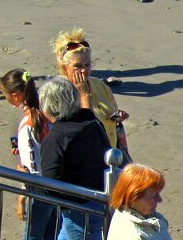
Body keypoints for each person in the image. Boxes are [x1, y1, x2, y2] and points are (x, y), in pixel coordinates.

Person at [37, 75, 111, 240]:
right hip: (98, 201)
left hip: (76, 210)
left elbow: (51, 182)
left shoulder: (56, 138)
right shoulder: (90, 121)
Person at [0, 68, 58, 240]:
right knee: (52, 237)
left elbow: (32, 169)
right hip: (53, 186)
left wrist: (22, 196)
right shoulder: (44, 117)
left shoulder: (27, 125)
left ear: (14, 96)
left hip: (39, 190)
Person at [50, 28, 130, 160]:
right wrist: (83, 94)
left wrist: (117, 116)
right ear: (65, 67)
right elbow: (85, 127)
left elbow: (110, 112)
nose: (83, 70)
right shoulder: (60, 93)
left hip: (110, 153)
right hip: (86, 159)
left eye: (87, 64)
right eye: (77, 66)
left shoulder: (99, 85)